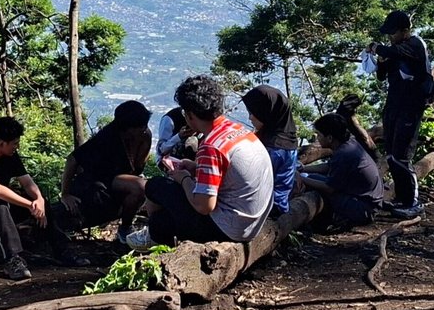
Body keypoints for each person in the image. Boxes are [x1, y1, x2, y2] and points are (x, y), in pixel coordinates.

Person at [127, 74, 273, 247]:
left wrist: (183, 178)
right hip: (254, 221)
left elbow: (204, 206)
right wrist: (196, 167)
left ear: (189, 115)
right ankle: (159, 231)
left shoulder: (211, 146)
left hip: (229, 229)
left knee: (155, 186)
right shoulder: (238, 131)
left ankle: (154, 236)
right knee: (165, 216)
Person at [0, 117, 89, 280]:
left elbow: (27, 182)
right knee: (0, 202)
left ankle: (62, 251)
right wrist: (30, 205)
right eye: (14, 143)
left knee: (41, 202)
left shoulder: (10, 156)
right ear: (1, 144)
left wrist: (38, 199)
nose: (17, 147)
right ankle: (13, 259)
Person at [53, 100, 153, 241]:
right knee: (140, 187)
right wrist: (65, 194)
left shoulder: (143, 136)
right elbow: (72, 159)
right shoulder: (106, 138)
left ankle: (127, 227)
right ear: (127, 127)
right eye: (140, 126)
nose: (144, 129)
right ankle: (124, 230)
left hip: (120, 177)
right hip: (101, 181)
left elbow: (138, 164)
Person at [367, 8, 433, 219]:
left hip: (411, 108)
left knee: (403, 156)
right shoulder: (396, 49)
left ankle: (413, 202)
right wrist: (379, 63)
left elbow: (393, 52)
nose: (390, 37)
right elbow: (381, 76)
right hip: (394, 106)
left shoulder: (414, 45)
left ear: (405, 31)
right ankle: (401, 199)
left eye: (393, 33)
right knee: (392, 154)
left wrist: (378, 48)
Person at [297, 113, 383, 229]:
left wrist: (300, 178)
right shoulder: (349, 145)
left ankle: (322, 222)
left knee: (313, 185)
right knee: (312, 178)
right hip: (366, 201)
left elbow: (329, 188)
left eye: (319, 135)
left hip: (363, 209)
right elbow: (329, 166)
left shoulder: (344, 154)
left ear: (330, 138)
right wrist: (303, 168)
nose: (317, 138)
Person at [241, 84, 299, 215]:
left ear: (267, 113)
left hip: (265, 208)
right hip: (279, 204)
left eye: (253, 113)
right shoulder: (287, 137)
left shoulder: (272, 150)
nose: (250, 117)